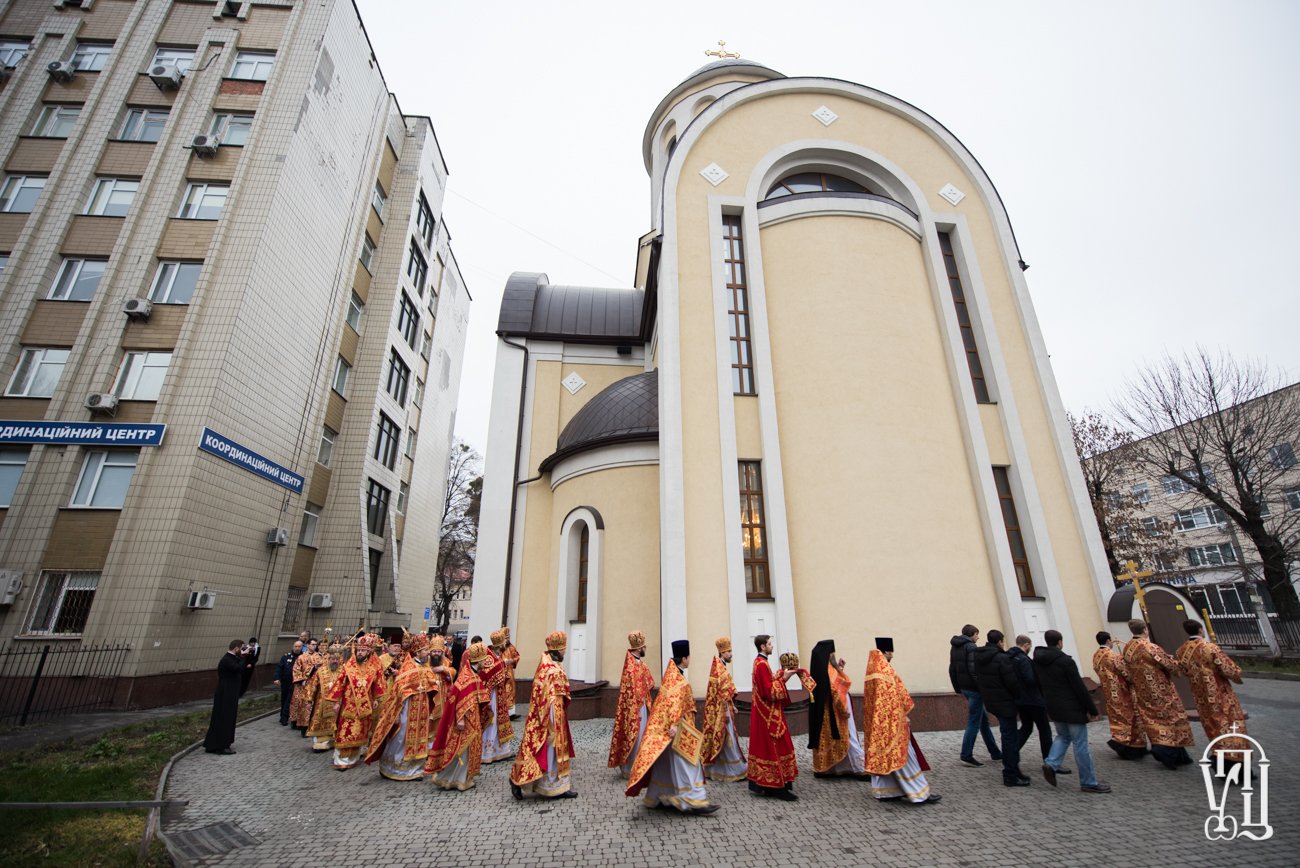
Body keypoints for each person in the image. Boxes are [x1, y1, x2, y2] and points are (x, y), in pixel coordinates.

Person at [625, 640, 719, 815]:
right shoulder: (678, 681)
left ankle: (660, 795)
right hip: (678, 729)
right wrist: (675, 725)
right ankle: (694, 800)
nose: (690, 659)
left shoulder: (671, 675)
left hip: (666, 728)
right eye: (688, 657)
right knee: (689, 763)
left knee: (664, 764)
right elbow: (675, 703)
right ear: (684, 659)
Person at [862, 638, 940, 804]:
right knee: (906, 756)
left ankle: (886, 792)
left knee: (884, 757)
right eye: (891, 652)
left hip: (877, 724)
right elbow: (894, 697)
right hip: (892, 722)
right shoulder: (885, 670)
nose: (892, 656)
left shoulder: (872, 668)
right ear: (886, 652)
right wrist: (902, 715)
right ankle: (919, 792)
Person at [1034, 629, 1110, 793]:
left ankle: (1051, 763)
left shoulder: (1038, 661)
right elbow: (1079, 687)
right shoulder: (1065, 661)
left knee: (1062, 736)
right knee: (1080, 744)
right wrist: (1092, 709)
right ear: (1060, 642)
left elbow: (1039, 684)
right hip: (1071, 707)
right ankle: (1088, 781)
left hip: (1053, 705)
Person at [510, 631, 578, 800]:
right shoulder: (546, 669)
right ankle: (518, 781)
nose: (564, 652)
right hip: (548, 717)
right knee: (542, 749)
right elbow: (541, 695)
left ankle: (559, 786)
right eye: (562, 650)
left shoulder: (554, 665)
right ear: (556, 650)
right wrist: (549, 718)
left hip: (558, 713)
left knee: (557, 750)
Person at [365, 633, 439, 780]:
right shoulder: (408, 666)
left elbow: (431, 682)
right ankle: (395, 768)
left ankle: (415, 769)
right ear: (418, 652)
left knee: (420, 737)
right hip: (407, 707)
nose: (428, 653)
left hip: (422, 707)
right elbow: (400, 688)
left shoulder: (426, 666)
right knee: (401, 737)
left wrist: (432, 685)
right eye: (425, 650)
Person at [1123, 619, 1194, 770]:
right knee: (1170, 718)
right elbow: (1170, 666)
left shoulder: (1128, 648)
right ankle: (1166, 751)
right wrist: (1177, 663)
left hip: (1142, 691)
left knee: (1152, 720)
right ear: (1145, 630)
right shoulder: (1150, 647)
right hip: (1160, 691)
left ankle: (1176, 753)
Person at [1175, 619, 1250, 763]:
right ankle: (1234, 757)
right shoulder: (1209, 647)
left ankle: (1217, 751)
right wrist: (1236, 674)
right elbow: (1229, 669)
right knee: (1228, 721)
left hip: (1200, 695)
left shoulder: (1181, 651)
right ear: (1200, 630)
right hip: (1219, 692)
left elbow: (1184, 670)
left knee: (1210, 723)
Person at [427, 641, 492, 790]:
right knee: (462, 749)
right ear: (478, 661)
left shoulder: (472, 674)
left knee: (468, 748)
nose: (485, 663)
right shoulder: (467, 677)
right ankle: (455, 779)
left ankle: (464, 777)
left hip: (473, 717)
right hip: (465, 720)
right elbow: (460, 701)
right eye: (484, 660)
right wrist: (461, 720)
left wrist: (485, 702)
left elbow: (477, 693)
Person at [747, 634, 799, 800]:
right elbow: (769, 692)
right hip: (768, 715)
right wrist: (784, 679)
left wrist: (781, 675)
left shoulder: (760, 662)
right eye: (769, 644)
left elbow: (767, 682)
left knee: (768, 747)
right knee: (775, 746)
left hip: (763, 712)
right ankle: (777, 787)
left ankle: (769, 785)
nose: (772, 646)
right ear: (762, 646)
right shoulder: (761, 664)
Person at [973, 629, 1028, 786]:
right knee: (1010, 738)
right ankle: (1010, 773)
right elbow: (1011, 682)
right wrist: (1017, 696)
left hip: (992, 701)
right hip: (1005, 701)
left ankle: (1014, 770)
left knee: (1009, 735)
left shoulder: (979, 656)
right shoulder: (1001, 658)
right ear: (999, 642)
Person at [325, 634, 386, 770]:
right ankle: (341, 758)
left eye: (363, 651)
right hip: (348, 705)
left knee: (359, 732)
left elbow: (378, 684)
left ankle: (353, 757)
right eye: (358, 650)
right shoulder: (348, 666)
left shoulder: (374, 668)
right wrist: (336, 701)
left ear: (369, 652)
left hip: (365, 705)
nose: (360, 653)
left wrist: (377, 699)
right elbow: (339, 684)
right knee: (345, 731)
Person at [809, 639, 866, 778]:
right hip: (836, 713)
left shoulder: (822, 668)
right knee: (849, 738)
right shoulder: (828, 671)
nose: (834, 655)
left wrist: (839, 668)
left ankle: (829, 769)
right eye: (832, 653)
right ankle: (858, 768)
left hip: (825, 713)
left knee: (828, 740)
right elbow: (836, 692)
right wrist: (843, 710)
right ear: (829, 654)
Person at [1091, 632, 1148, 761]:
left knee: (1116, 719)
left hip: (1108, 692)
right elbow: (1126, 673)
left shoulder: (1096, 655)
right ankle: (1130, 746)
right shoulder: (1112, 656)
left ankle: (1125, 742)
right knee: (1129, 718)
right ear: (1108, 640)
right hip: (1121, 692)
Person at [949, 624, 1000, 767]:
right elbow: (974, 670)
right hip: (974, 689)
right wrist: (981, 687)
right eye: (977, 634)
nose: (978, 637)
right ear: (972, 634)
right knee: (974, 722)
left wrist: (958, 688)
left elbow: (952, 668)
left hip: (964, 687)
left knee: (983, 721)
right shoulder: (971, 647)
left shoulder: (955, 647)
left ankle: (995, 752)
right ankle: (966, 755)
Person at [608, 630, 655, 776]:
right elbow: (629, 691)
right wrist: (634, 708)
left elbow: (649, 682)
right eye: (644, 646)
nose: (646, 648)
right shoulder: (630, 667)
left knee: (643, 735)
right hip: (634, 708)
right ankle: (631, 768)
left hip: (643, 705)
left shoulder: (641, 664)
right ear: (639, 648)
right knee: (635, 735)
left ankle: (641, 765)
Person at [701, 636, 747, 782]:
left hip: (723, 709)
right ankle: (734, 770)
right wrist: (726, 710)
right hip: (722, 711)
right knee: (727, 739)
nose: (731, 654)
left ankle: (717, 770)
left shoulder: (719, 666)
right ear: (722, 653)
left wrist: (732, 705)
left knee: (724, 739)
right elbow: (722, 693)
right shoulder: (719, 668)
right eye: (729, 652)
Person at [1008, 634, 1057, 770]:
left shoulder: (1010, 658)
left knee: (1026, 728)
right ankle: (1049, 761)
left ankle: (1011, 752)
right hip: (1033, 700)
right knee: (1044, 730)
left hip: (1020, 700)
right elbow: (1030, 679)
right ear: (1026, 645)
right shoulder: (1024, 659)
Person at [203, 640, 245, 754]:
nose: (242, 651)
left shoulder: (231, 658)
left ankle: (213, 744)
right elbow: (239, 668)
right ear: (236, 648)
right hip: (226, 693)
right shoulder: (227, 660)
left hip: (228, 692)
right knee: (225, 718)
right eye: (241, 648)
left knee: (223, 717)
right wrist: (243, 657)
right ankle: (222, 746)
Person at [479, 629, 516, 763]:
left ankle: (501, 751)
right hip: (492, 696)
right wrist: (487, 697)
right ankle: (487, 753)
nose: (505, 645)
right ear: (500, 645)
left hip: (499, 695)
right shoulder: (489, 658)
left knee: (499, 722)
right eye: (504, 643)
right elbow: (485, 677)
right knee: (492, 722)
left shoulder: (497, 656)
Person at [305, 643, 344, 752]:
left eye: (337, 659)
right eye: (332, 659)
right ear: (328, 659)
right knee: (319, 721)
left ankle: (334, 740)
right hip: (321, 703)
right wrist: (309, 700)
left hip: (338, 703)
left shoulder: (344, 671)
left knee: (337, 722)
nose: (335, 661)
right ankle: (320, 742)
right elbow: (312, 686)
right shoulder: (321, 671)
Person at [289, 639, 320, 733]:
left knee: (308, 705)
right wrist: (301, 679)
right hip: (301, 684)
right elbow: (296, 669)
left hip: (313, 684)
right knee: (297, 703)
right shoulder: (301, 657)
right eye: (312, 644)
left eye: (315, 644)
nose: (314, 646)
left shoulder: (318, 657)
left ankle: (306, 724)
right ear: (307, 645)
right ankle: (295, 721)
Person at [274, 641, 302, 726]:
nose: (297, 648)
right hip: (286, 682)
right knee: (284, 698)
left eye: (299, 647)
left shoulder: (303, 657)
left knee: (289, 700)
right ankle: (282, 715)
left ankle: (285, 718)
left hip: (296, 683)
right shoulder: (286, 656)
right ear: (293, 647)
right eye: (296, 646)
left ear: (301, 647)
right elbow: (279, 667)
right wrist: (277, 678)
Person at [498, 626, 522, 720]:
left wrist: (512, 660)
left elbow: (517, 656)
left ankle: (511, 713)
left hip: (510, 673)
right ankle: (502, 712)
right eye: (506, 637)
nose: (507, 639)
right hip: (501, 673)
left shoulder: (511, 647)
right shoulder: (499, 648)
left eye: (508, 637)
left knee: (511, 691)